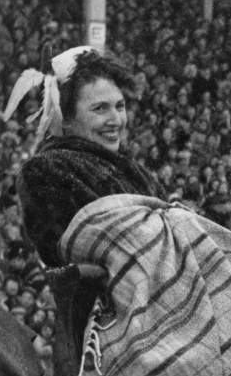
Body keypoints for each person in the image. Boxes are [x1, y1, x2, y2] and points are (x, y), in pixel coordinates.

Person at [9, 47, 160, 266]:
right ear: (65, 118)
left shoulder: (131, 167)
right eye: (100, 109)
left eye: (120, 106)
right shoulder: (44, 170)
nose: (116, 120)